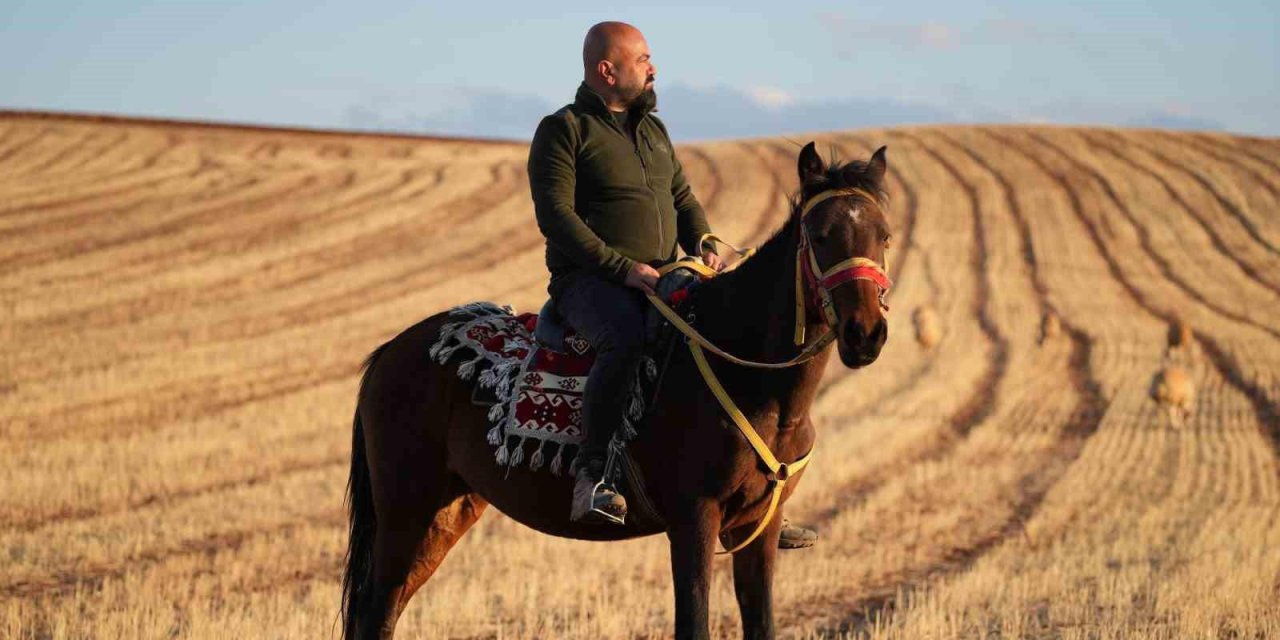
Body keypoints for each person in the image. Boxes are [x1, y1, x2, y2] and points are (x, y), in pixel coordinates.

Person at [527, 21, 819, 549]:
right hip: (589, 282)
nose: (653, 67)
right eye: (642, 59)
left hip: (662, 276)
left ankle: (747, 501)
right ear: (606, 70)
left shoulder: (654, 132)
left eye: (650, 57)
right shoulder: (564, 129)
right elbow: (557, 218)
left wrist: (702, 237)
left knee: (725, 336)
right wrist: (621, 269)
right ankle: (594, 477)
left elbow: (682, 197)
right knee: (627, 339)